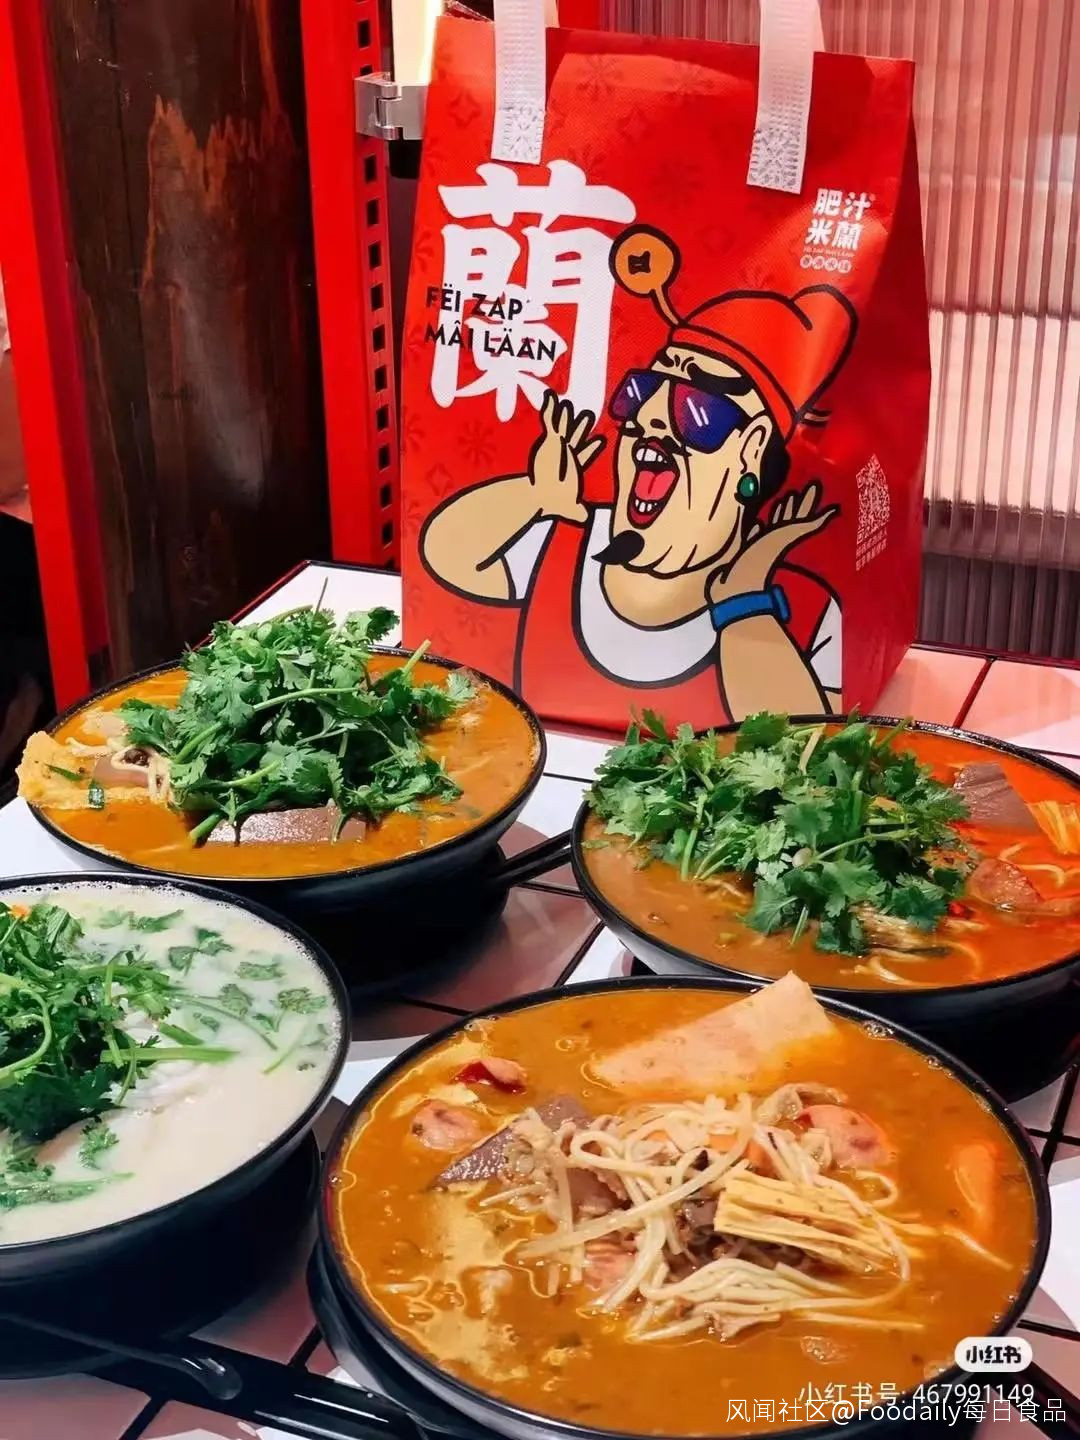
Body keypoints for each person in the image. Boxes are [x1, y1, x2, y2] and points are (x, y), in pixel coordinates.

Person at [421, 228, 857, 725]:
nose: (648, 417)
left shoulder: (807, 610)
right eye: (643, 390)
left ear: (751, 447)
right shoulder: (566, 542)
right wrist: (534, 496)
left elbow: (802, 744)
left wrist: (744, 599)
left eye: (692, 407)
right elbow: (448, 557)